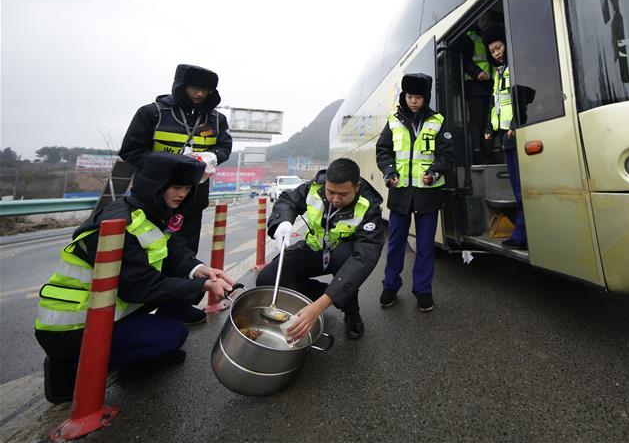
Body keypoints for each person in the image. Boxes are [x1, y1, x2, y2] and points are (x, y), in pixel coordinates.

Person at [34, 152, 234, 404]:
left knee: (179, 305)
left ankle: (132, 344)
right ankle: (70, 366)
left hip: (104, 310)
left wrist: (200, 270)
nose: (182, 193)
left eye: (186, 187)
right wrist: (203, 284)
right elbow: (140, 286)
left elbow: (174, 250)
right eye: (175, 186)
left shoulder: (147, 213)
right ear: (155, 184)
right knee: (172, 337)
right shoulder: (118, 220)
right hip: (70, 327)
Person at [119, 64, 232, 323]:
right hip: (153, 199)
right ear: (181, 86)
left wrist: (212, 156)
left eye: (206, 89)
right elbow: (131, 151)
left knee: (186, 251)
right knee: (148, 251)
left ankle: (177, 306)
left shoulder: (216, 119)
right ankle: (139, 308)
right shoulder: (152, 113)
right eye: (195, 88)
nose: (200, 94)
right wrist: (174, 163)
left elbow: (225, 146)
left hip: (193, 197)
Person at [258, 158, 385, 341]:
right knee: (266, 278)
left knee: (347, 265)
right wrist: (283, 221)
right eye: (331, 192)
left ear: (356, 187)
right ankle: (326, 292)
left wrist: (318, 308)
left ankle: (351, 311)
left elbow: (364, 258)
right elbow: (288, 200)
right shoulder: (313, 187)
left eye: (343, 194)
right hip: (313, 250)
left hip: (341, 257)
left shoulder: (369, 208)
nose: (335, 199)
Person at [376, 73, 455, 312]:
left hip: (428, 194)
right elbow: (383, 151)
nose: (413, 101)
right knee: (396, 244)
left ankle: (423, 290)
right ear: (404, 96)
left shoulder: (438, 121)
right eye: (410, 96)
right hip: (400, 194)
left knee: (425, 246)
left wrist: (434, 171)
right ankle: (390, 285)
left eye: (418, 97)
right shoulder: (393, 121)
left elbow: (447, 155)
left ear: (425, 98)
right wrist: (389, 172)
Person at [482, 24, 527, 250]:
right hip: (506, 136)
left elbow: (524, 96)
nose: (496, 53)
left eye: (498, 47)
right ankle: (522, 234)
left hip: (517, 133)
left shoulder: (516, 68)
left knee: (521, 188)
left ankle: (522, 236)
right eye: (492, 51)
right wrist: (490, 128)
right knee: (516, 186)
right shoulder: (499, 73)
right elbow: (496, 104)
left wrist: (516, 121)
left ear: (507, 44)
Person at [453, 28, 494, 164]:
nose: (486, 22)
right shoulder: (468, 37)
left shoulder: (485, 36)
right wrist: (476, 72)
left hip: (490, 83)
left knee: (489, 119)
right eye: (483, 19)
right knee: (477, 119)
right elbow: (463, 59)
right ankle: (477, 152)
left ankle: (488, 151)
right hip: (475, 84)